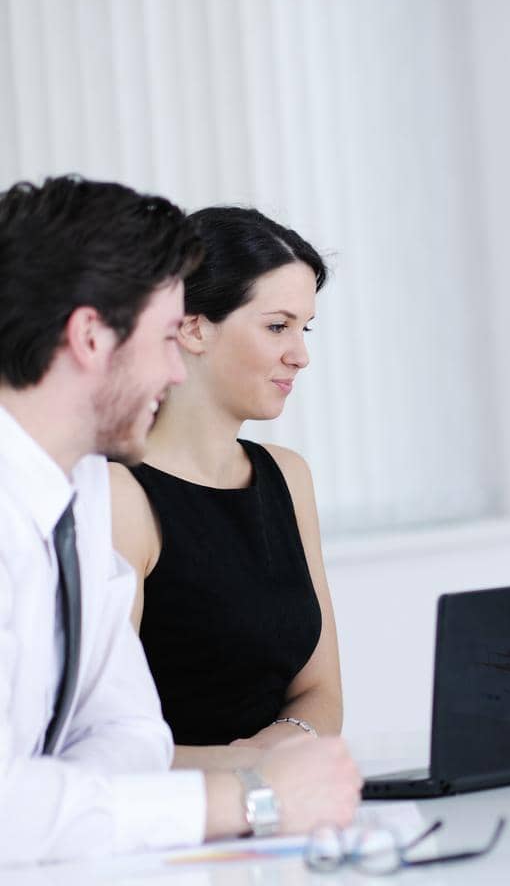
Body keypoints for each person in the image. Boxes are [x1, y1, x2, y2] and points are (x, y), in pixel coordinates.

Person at [0, 175, 359, 864]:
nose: (175, 371)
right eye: (168, 337)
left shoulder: (75, 496)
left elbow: (127, 733)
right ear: (90, 338)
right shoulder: (80, 499)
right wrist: (255, 796)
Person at [109, 207, 340, 770]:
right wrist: (248, 766)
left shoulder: (288, 477)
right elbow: (106, 750)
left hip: (277, 812)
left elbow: (321, 693)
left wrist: (280, 745)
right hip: (172, 829)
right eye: (277, 326)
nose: (300, 354)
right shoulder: (119, 495)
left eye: (303, 329)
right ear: (191, 327)